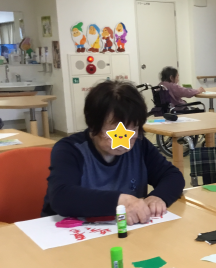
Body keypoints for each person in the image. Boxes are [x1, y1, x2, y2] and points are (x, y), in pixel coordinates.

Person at [42, 80, 185, 225]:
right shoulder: (70, 149)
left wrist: (158, 197)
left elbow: (172, 175)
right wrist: (121, 201)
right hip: (69, 232)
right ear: (93, 125)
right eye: (116, 132)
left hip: (126, 232)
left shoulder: (140, 146)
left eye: (133, 129)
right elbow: (61, 197)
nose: (125, 139)